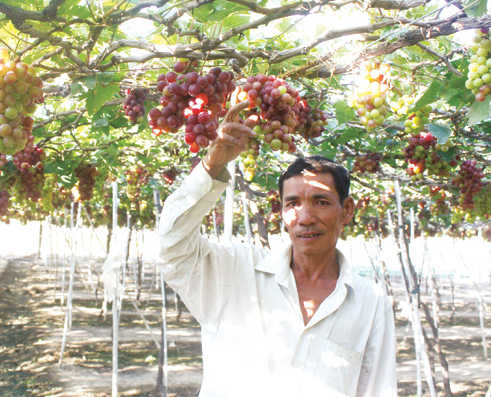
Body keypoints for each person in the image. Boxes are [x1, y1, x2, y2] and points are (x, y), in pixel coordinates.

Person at [158, 100, 397, 396]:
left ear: (346, 210)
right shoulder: (234, 274)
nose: (305, 218)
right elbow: (171, 246)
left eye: (321, 202)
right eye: (293, 204)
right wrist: (212, 166)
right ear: (281, 212)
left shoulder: (370, 302)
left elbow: (376, 389)